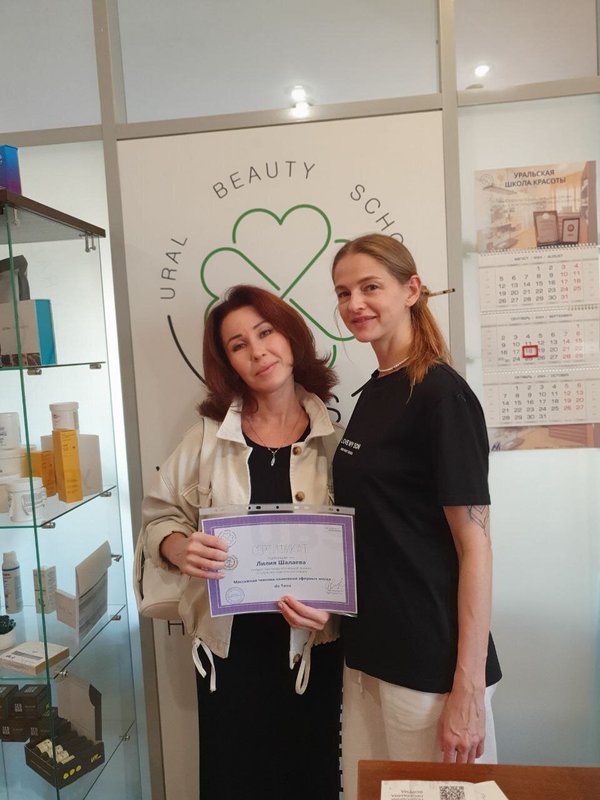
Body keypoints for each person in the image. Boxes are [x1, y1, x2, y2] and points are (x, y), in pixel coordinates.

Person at [139, 285, 344, 799]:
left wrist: (335, 607)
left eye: (265, 332)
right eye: (238, 345)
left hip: (311, 652)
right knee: (233, 783)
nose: (257, 352)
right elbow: (160, 516)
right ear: (228, 363)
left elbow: (366, 551)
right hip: (229, 656)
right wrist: (177, 547)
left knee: (311, 782)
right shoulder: (207, 439)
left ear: (290, 337)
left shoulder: (336, 442)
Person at [330, 234, 502, 800]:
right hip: (372, 651)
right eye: (344, 292)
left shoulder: (442, 396)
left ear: (411, 290)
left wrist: (467, 688)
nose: (355, 303)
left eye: (370, 287)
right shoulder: (376, 391)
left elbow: (475, 546)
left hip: (431, 665)